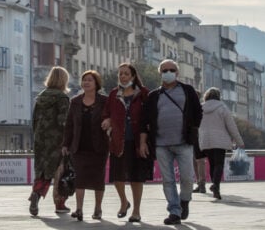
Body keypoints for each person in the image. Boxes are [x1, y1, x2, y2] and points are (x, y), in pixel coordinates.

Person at [140, 59, 202, 226]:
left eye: (172, 70)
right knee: (168, 180)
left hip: (184, 142)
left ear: (177, 73)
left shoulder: (187, 90)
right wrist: (143, 142)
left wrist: (193, 128)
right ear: (160, 73)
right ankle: (174, 211)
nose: (168, 73)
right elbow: (144, 120)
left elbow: (198, 112)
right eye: (165, 70)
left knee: (187, 178)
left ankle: (184, 200)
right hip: (161, 144)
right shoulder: (154, 95)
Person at [101, 62, 151, 223]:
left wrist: (146, 140)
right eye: (120, 74)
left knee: (136, 177)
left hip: (137, 141)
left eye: (126, 73)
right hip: (118, 141)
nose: (122, 76)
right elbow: (106, 112)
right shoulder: (114, 94)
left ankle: (136, 211)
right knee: (117, 177)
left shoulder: (143, 93)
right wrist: (107, 120)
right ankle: (124, 201)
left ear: (133, 76)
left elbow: (149, 116)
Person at [62, 70, 109, 221]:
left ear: (96, 83)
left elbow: (113, 117)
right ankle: (79, 209)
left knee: (98, 179)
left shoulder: (104, 101)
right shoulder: (75, 101)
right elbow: (69, 124)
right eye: (84, 80)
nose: (86, 82)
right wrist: (66, 144)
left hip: (99, 147)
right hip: (79, 147)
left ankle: (98, 209)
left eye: (90, 80)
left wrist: (109, 121)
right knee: (80, 179)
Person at [29, 66, 71, 216]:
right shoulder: (62, 98)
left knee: (42, 170)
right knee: (60, 172)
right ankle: (60, 203)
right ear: (64, 80)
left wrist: (37, 135)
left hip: (40, 139)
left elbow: (34, 119)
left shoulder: (41, 96)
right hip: (57, 140)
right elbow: (63, 121)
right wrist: (68, 140)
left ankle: (36, 193)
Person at [198, 87, 244, 200]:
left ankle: (215, 187)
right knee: (219, 164)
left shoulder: (200, 108)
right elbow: (231, 127)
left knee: (212, 164)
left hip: (205, 140)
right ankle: (216, 186)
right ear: (219, 96)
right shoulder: (222, 108)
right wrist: (239, 141)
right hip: (219, 141)